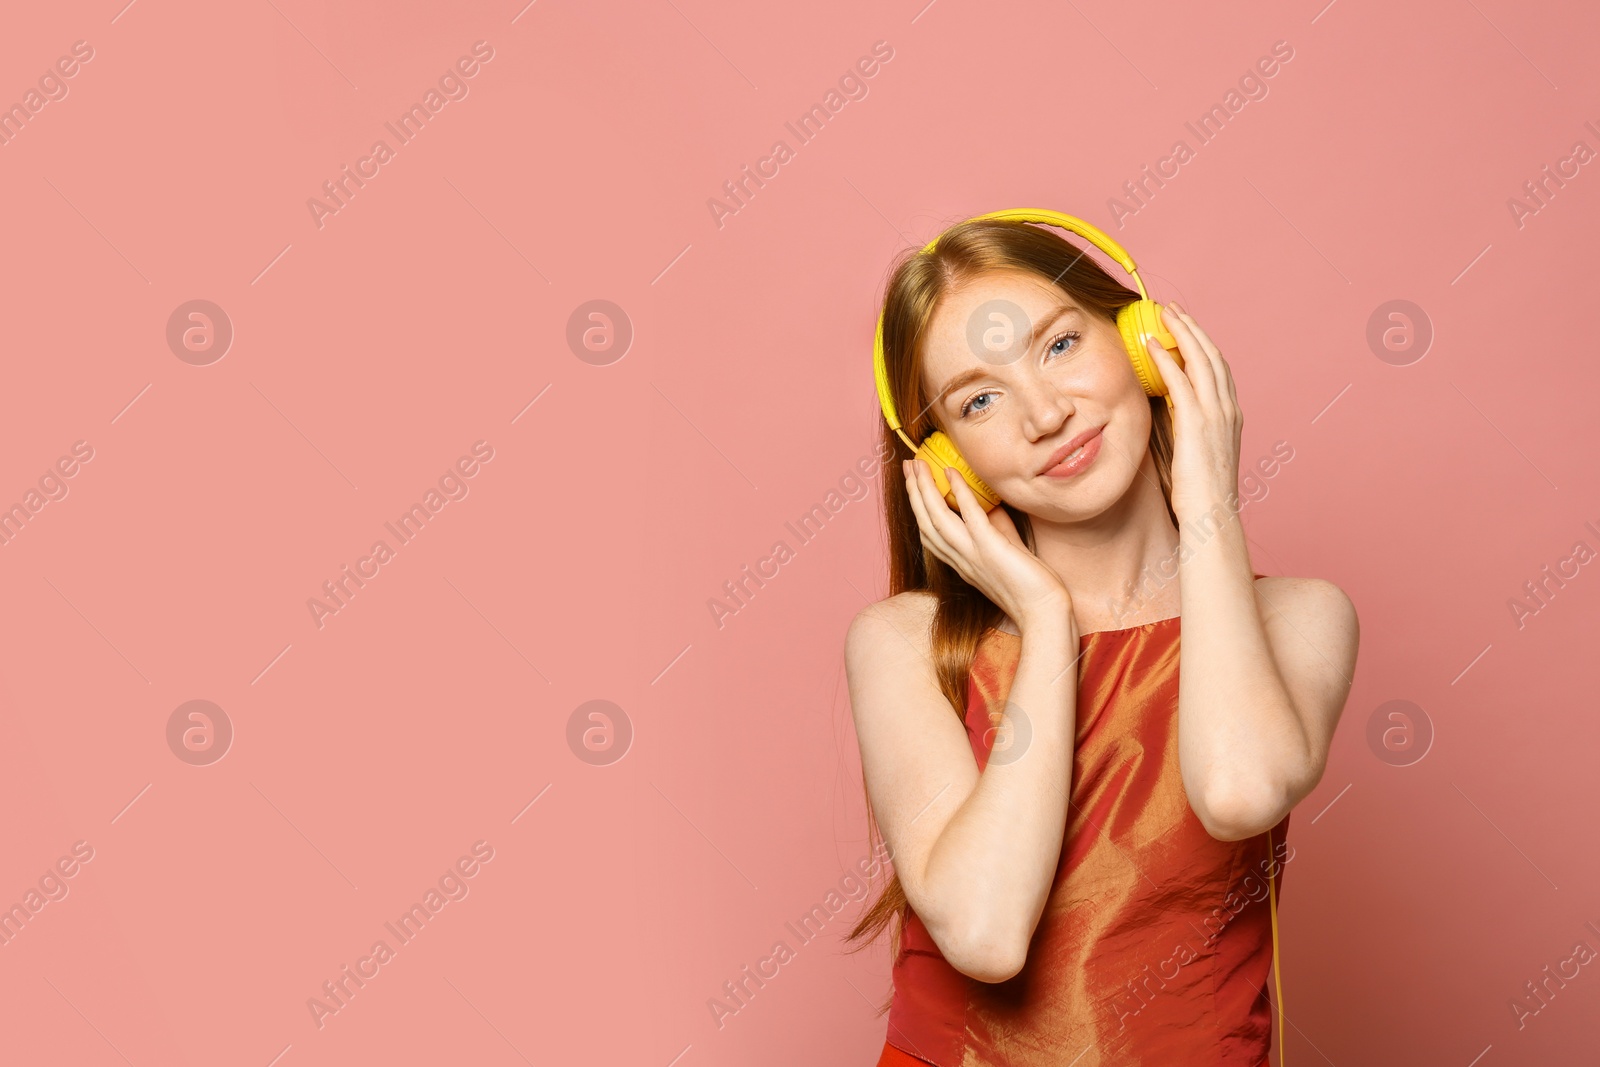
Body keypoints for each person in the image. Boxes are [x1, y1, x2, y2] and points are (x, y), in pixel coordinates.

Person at [843, 213, 1359, 1066]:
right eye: (980, 398)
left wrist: (1209, 510)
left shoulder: (1300, 618)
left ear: (1141, 341)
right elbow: (986, 928)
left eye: (1058, 346)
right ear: (948, 462)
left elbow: (1237, 788)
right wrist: (1046, 621)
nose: (1044, 414)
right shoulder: (905, 643)